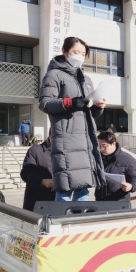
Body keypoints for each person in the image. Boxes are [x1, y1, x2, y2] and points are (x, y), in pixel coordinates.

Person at [39, 36, 107, 202]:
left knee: (83, 190)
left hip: (85, 142)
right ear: (64, 51)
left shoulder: (86, 79)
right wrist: (71, 102)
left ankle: (78, 224)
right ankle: (60, 224)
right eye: (76, 52)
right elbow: (45, 103)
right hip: (67, 141)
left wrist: (98, 107)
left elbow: (89, 115)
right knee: (65, 189)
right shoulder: (54, 75)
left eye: (83, 54)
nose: (80, 56)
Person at [94, 130, 136, 202]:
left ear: (113, 144)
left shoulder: (128, 159)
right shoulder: (97, 158)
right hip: (100, 200)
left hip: (120, 201)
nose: (101, 149)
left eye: (104, 146)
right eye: (99, 146)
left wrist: (131, 186)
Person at [20, 130, 55, 211]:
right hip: (37, 202)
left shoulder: (64, 153)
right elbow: (25, 173)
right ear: (50, 136)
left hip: (57, 202)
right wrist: (42, 181)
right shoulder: (34, 150)